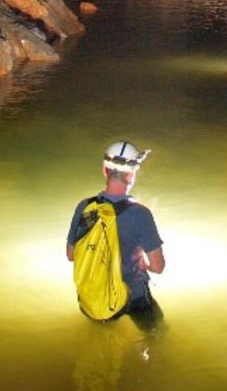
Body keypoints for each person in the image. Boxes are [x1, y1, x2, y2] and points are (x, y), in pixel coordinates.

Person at [67, 141, 165, 329]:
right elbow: (158, 266)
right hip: (134, 296)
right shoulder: (140, 213)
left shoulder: (85, 208)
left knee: (103, 342)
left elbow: (71, 255)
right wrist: (146, 265)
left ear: (105, 170)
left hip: (98, 296)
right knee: (157, 336)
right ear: (132, 175)